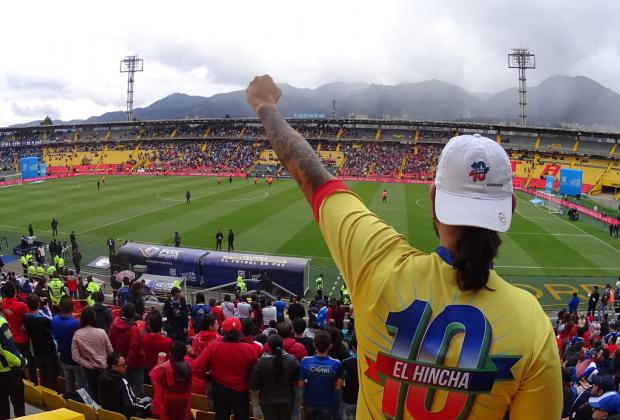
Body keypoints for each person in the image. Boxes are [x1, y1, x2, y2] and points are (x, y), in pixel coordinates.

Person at [246, 75, 562, 418]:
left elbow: (313, 174)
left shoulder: (377, 264)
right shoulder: (532, 324)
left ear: (434, 198)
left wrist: (266, 107)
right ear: (510, 208)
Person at [191, 317, 258, 420]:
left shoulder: (214, 346)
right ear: (240, 331)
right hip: (241, 391)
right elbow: (254, 370)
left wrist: (206, 376)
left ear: (223, 331)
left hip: (220, 389)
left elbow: (196, 367)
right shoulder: (249, 349)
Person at [249, 334, 299, 420]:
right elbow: (297, 378)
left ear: (268, 346)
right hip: (287, 399)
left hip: (267, 400)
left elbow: (253, 385)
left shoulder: (261, 362)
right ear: (282, 344)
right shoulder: (292, 360)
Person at [72, 306, 113, 403]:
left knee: (92, 393)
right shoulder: (101, 333)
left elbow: (76, 357)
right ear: (94, 318)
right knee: (104, 395)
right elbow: (110, 352)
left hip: (88, 370)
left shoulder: (77, 334)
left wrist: (88, 365)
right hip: (102, 368)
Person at [298, 330, 342, 420]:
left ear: (314, 345)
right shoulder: (336, 363)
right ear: (330, 346)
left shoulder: (305, 361)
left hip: (309, 400)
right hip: (327, 402)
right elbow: (338, 386)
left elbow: (300, 384)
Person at [1, 281, 37, 384]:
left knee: (20, 362)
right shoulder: (21, 305)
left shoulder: (3, 302)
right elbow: (33, 313)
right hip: (24, 339)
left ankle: (25, 381)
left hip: (12, 336)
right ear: (15, 291)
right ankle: (33, 383)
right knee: (30, 363)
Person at [108, 303, 146, 398]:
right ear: (134, 314)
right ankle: (137, 409)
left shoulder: (113, 325)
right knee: (137, 388)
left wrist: (121, 363)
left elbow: (111, 344)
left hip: (121, 363)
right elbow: (133, 350)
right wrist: (126, 364)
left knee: (126, 386)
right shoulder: (134, 329)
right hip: (134, 364)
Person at [98, 352, 151, 418]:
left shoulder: (101, 377)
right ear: (113, 366)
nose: (126, 366)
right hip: (124, 416)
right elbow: (130, 406)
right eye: (123, 365)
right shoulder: (123, 383)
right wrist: (148, 406)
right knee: (148, 400)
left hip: (107, 415)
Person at [23, 293, 59, 390]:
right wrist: (47, 308)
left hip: (36, 349)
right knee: (52, 374)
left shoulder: (25, 317)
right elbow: (51, 322)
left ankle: (44, 391)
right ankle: (52, 392)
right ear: (38, 304)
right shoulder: (43, 320)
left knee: (42, 373)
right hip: (49, 350)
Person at [150, 341, 192, 420]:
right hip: (183, 402)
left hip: (168, 403)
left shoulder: (164, 367)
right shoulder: (189, 366)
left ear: (170, 353)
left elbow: (156, 382)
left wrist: (159, 364)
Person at [51, 296, 84, 394]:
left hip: (63, 357)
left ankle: (70, 402)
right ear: (72, 308)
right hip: (76, 360)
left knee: (69, 383)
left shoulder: (54, 319)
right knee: (81, 385)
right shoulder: (75, 323)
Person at [0, 307, 26, 419]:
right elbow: (8, 350)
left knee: (2, 409)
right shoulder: (1, 323)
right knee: (19, 407)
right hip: (9, 373)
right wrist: (22, 361)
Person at [142, 310, 173, 380]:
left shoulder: (143, 338)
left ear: (149, 326)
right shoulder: (168, 341)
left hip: (146, 373)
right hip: (162, 374)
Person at [339, 333, 358, 420]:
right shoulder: (373, 363)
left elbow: (340, 384)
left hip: (348, 400)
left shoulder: (345, 363)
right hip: (365, 404)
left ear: (353, 346)